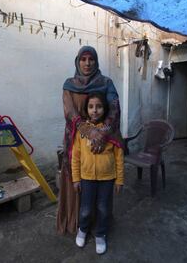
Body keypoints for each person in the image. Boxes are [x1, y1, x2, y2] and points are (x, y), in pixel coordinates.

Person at [57, 46, 123, 235]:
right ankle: (77, 223)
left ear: (96, 61)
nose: (87, 63)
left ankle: (100, 225)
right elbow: (70, 112)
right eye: (83, 59)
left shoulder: (106, 82)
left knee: (101, 193)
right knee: (78, 179)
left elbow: (114, 109)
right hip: (76, 140)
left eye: (91, 59)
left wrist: (101, 134)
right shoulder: (69, 84)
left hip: (105, 138)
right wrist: (88, 132)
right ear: (77, 61)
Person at [71, 92, 124, 254]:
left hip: (107, 179)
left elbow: (119, 157)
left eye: (99, 106)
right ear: (86, 109)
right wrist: (76, 178)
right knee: (86, 208)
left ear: (105, 108)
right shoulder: (83, 131)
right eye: (91, 107)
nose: (95, 110)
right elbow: (75, 156)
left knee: (103, 208)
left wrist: (119, 180)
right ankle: (83, 229)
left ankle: (100, 234)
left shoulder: (111, 131)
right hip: (86, 178)